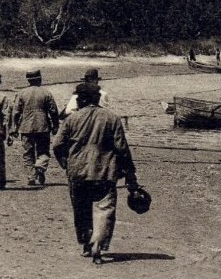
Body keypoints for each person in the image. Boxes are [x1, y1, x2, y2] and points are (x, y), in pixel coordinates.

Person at [53, 82, 139, 265]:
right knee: (105, 209)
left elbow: (57, 146)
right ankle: (97, 246)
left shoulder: (71, 119)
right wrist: (130, 173)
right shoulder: (112, 118)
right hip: (105, 171)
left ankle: (86, 243)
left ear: (81, 99)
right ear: (97, 98)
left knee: (81, 209)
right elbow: (122, 148)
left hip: (77, 172)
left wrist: (66, 165)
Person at [10, 69, 60, 186]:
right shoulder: (46, 93)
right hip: (43, 126)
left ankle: (31, 176)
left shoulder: (22, 93)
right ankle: (40, 167)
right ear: (40, 79)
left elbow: (16, 112)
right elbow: (53, 111)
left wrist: (14, 128)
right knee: (43, 151)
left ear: (28, 80)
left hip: (26, 126)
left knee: (28, 152)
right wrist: (55, 126)